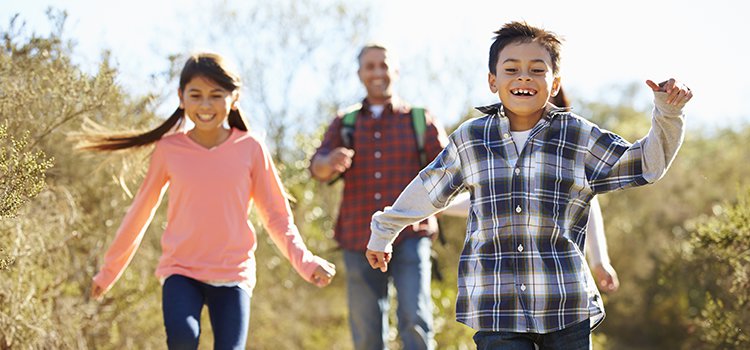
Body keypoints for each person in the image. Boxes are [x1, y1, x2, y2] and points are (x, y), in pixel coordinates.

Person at [366, 21, 691, 349]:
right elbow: (429, 190)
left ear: (554, 84)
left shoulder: (576, 136)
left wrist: (668, 113)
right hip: (496, 306)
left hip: (565, 304)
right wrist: (385, 229)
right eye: (512, 69)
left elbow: (646, 165)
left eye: (537, 70)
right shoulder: (471, 139)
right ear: (493, 81)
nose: (524, 77)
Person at [83, 52, 336, 350]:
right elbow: (141, 211)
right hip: (181, 270)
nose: (205, 105)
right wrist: (109, 270)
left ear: (235, 97)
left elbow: (277, 217)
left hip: (233, 274)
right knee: (182, 339)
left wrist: (306, 263)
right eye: (196, 95)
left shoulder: (250, 148)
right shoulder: (169, 150)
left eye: (216, 95)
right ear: (181, 97)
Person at [309, 44, 448, 350]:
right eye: (369, 67)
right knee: (367, 330)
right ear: (360, 74)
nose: (377, 73)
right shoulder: (345, 123)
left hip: (411, 233)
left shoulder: (420, 119)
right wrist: (329, 161)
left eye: (383, 65)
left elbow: (449, 174)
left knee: (415, 318)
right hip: (358, 235)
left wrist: (434, 214)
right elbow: (316, 168)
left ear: (394, 71)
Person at [550, 88, 619, 293]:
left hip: (560, 273)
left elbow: (588, 203)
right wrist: (448, 204)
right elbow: (486, 199)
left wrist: (599, 260)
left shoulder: (569, 144)